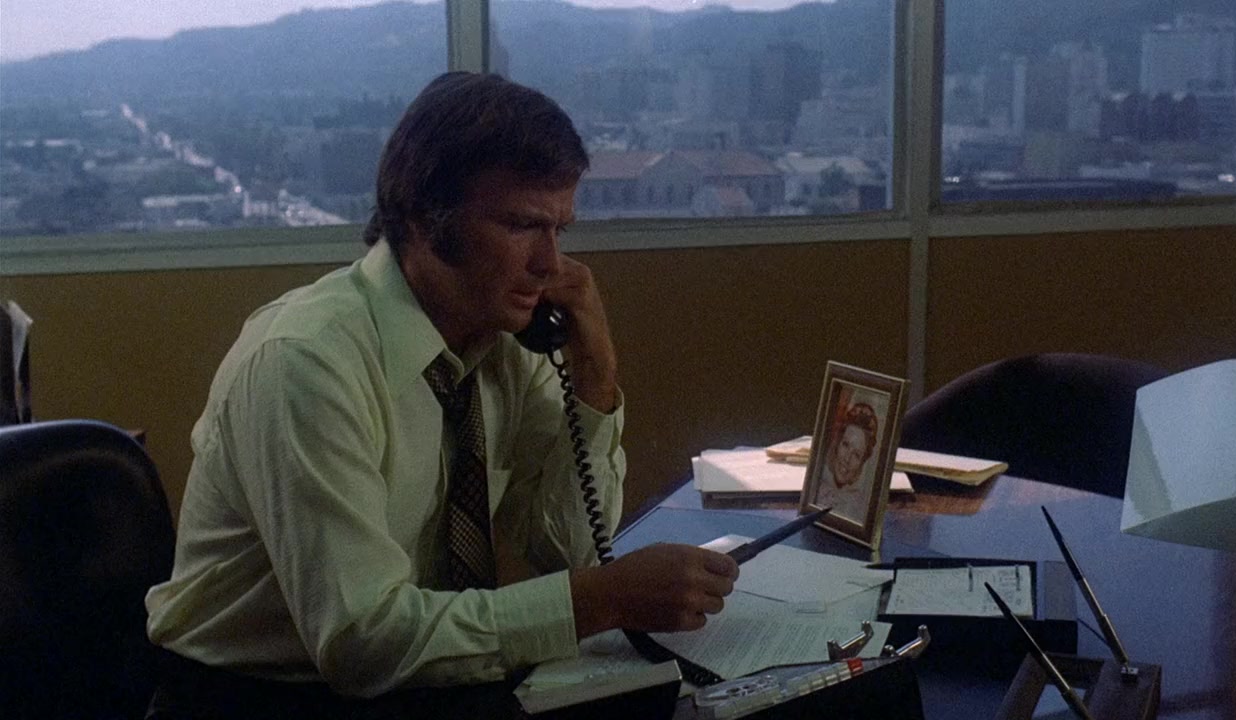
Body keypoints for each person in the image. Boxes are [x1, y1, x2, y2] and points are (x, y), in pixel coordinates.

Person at [144, 72, 738, 714]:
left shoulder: (506, 339)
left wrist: (595, 377)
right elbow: (362, 641)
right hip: (253, 698)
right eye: (522, 226)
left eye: (560, 230)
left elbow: (565, 550)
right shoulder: (306, 361)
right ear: (423, 218)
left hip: (415, 681)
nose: (550, 265)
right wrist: (603, 599)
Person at [813, 396, 879, 520]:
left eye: (856, 455)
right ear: (837, 443)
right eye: (846, 445)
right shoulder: (813, 489)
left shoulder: (861, 511)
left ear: (862, 463)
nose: (847, 459)